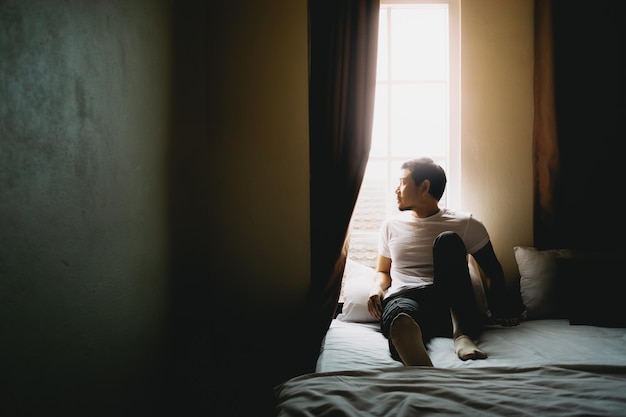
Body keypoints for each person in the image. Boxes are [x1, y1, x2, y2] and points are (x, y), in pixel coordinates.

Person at [367, 157, 518, 366]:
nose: (396, 189)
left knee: (448, 240)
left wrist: (501, 310)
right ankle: (416, 356)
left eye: (402, 182)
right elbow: (383, 271)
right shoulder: (391, 226)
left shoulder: (466, 224)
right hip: (406, 299)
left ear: (424, 187)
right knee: (399, 319)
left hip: (449, 304)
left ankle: (463, 335)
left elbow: (491, 268)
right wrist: (376, 290)